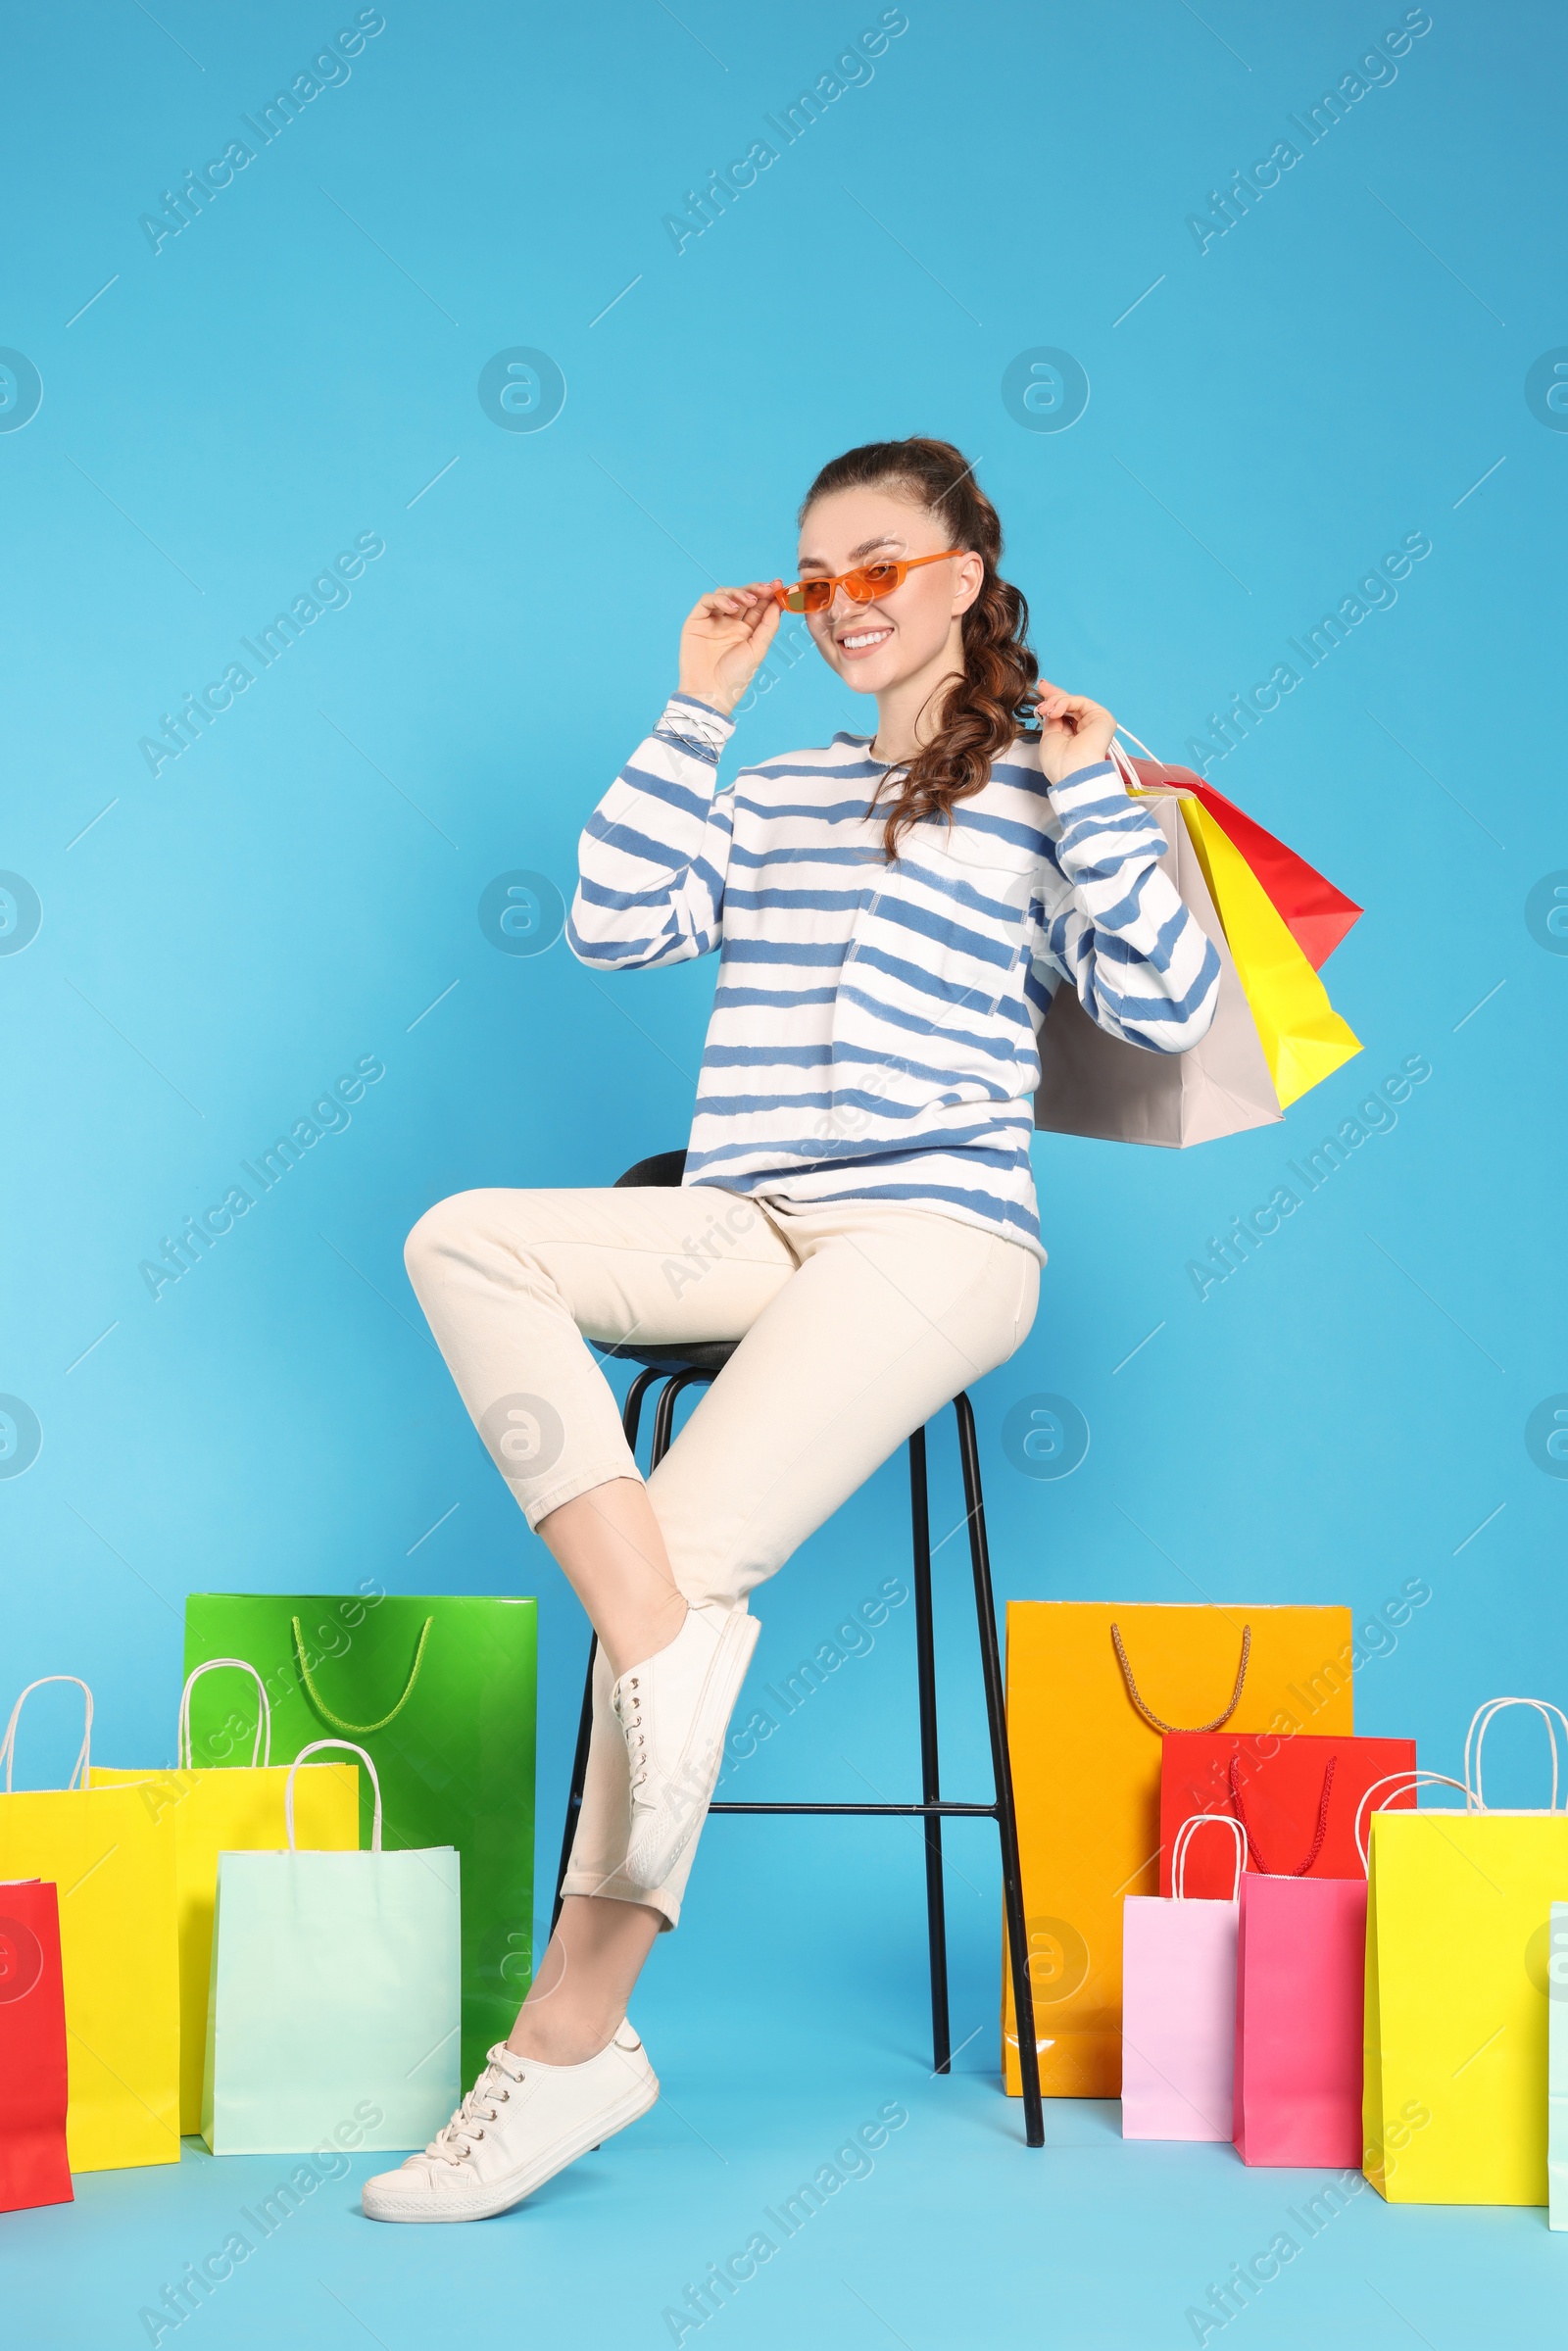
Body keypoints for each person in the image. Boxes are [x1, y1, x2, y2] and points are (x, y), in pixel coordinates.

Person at [362, 436, 1221, 2222]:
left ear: (967, 577)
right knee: (467, 1241)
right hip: (746, 1216)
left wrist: (1108, 804)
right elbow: (609, 928)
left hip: (939, 1228)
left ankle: (565, 2048)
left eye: (883, 565)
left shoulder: (1052, 793)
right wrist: (693, 712)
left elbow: (1161, 1008)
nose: (846, 602)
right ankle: (663, 1646)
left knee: (678, 1557)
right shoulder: (768, 794)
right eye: (820, 573)